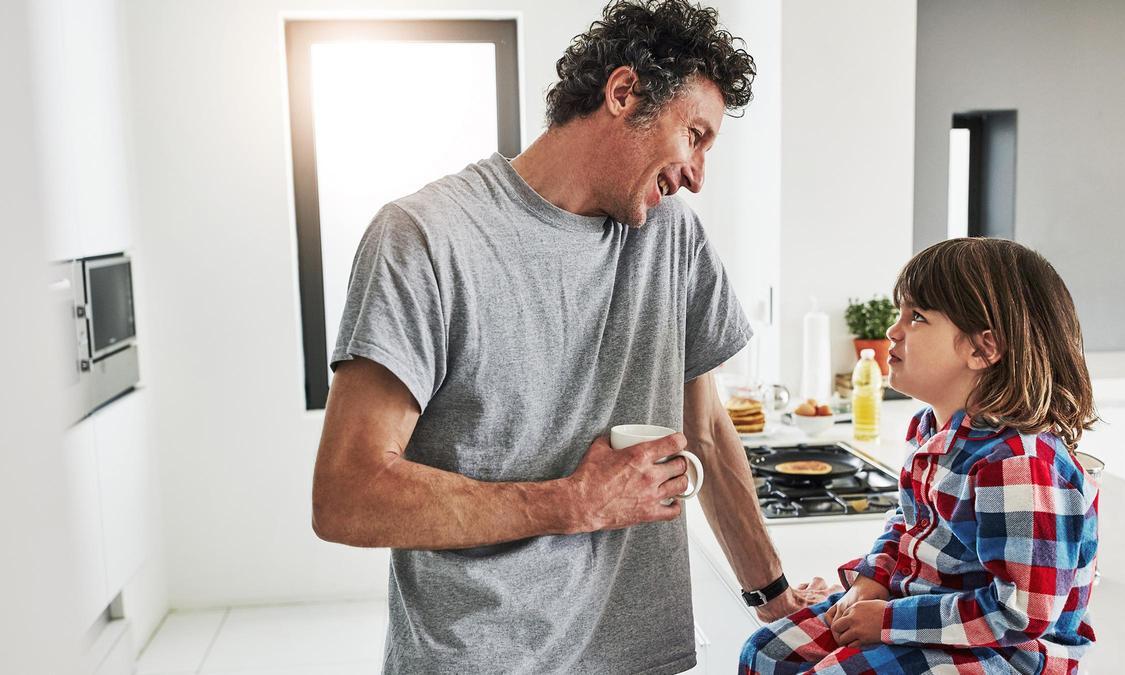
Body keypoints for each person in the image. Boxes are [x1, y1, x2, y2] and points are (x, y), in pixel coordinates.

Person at [311, 2, 830, 673]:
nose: (699, 174)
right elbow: (347, 493)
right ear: (623, 93)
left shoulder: (672, 238)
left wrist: (773, 593)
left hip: (638, 656)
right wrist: (571, 502)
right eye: (695, 135)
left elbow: (701, 433)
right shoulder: (425, 238)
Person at [741, 237, 1101, 675]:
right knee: (765, 653)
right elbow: (911, 523)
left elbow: (1022, 615)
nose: (894, 330)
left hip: (1009, 652)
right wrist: (870, 581)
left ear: (982, 348)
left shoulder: (1017, 464)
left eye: (916, 317)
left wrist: (889, 621)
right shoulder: (932, 430)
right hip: (925, 611)